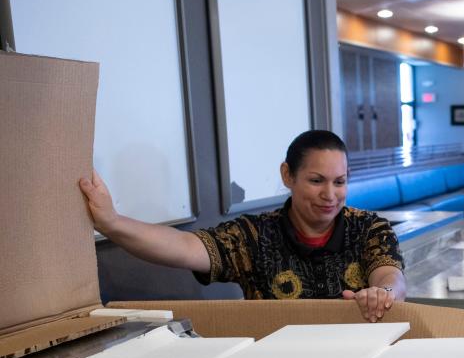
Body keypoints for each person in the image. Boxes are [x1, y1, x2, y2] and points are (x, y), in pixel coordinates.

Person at [79, 130, 405, 322]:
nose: (330, 195)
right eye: (316, 180)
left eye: (340, 181)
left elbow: (390, 276)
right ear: (287, 175)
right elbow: (184, 247)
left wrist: (383, 293)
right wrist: (112, 222)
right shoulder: (254, 236)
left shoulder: (368, 228)